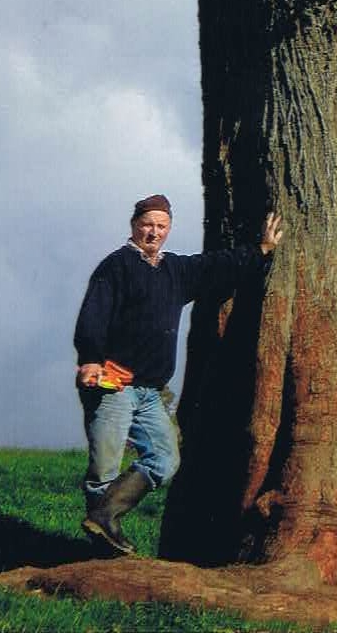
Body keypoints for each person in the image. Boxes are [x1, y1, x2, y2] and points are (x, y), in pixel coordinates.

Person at [74, 193, 283, 554]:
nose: (154, 232)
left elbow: (218, 265)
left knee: (165, 459)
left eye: (161, 226)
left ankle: (104, 518)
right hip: (115, 386)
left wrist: (261, 249)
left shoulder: (175, 271)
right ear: (134, 225)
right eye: (147, 225)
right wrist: (91, 358)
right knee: (104, 469)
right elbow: (94, 313)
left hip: (152, 392)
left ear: (168, 229)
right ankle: (99, 549)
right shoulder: (116, 267)